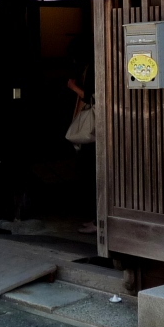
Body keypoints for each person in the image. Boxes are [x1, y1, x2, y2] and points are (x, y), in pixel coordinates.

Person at [64, 33, 96, 234]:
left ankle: (98, 220)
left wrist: (73, 87)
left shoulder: (92, 66)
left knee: (91, 174)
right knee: (88, 173)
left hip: (93, 130)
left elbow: (91, 96)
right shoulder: (87, 66)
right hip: (90, 130)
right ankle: (95, 218)